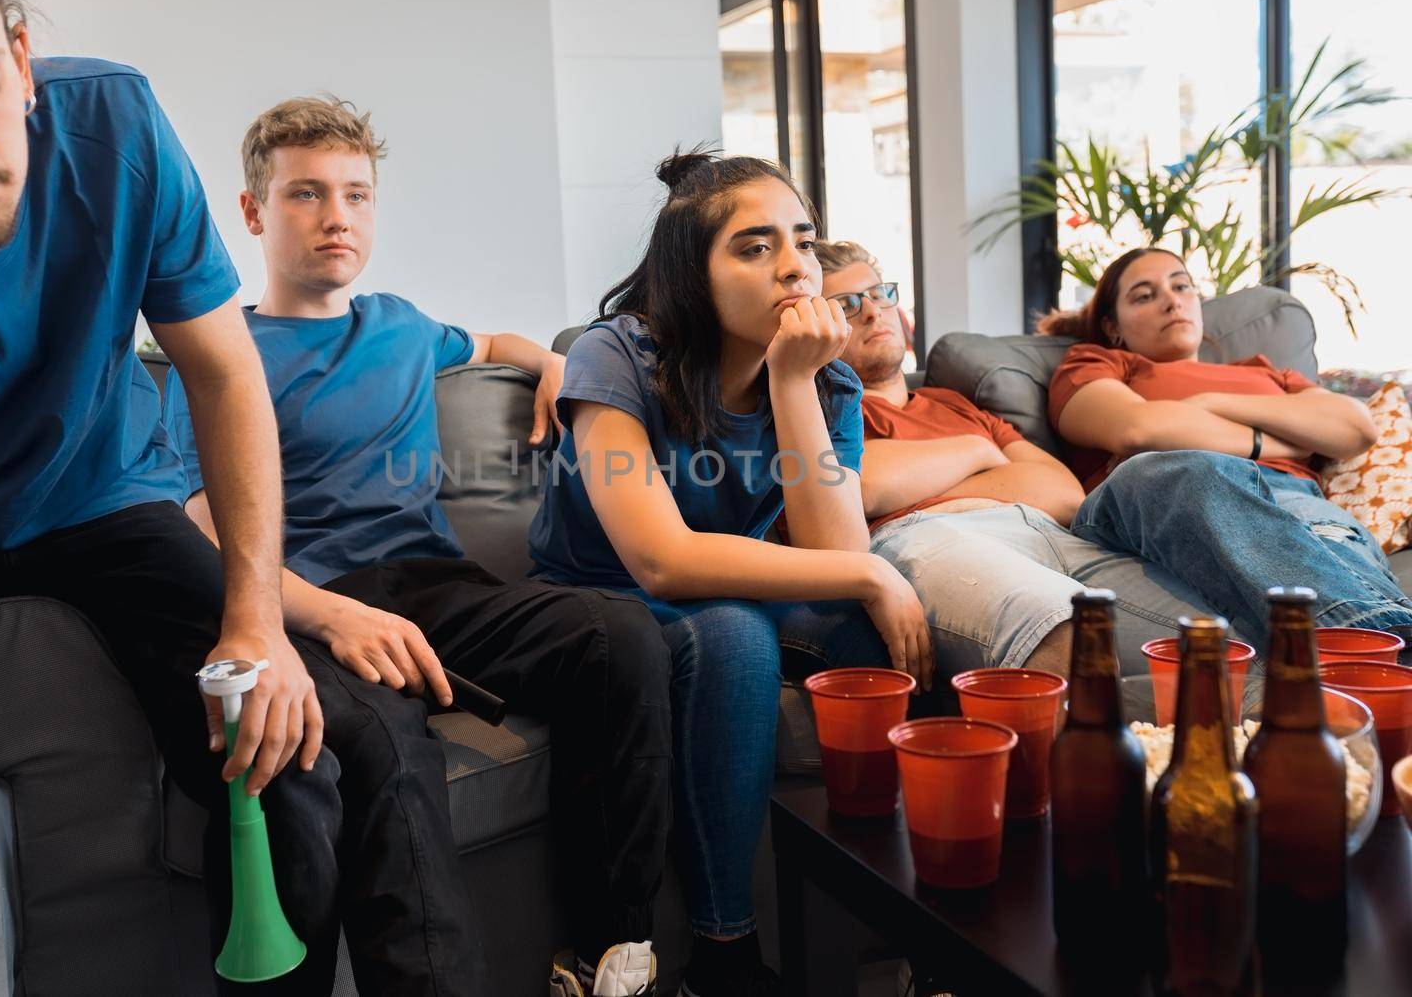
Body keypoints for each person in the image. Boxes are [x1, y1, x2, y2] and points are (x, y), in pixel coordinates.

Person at [0, 0, 345, 994]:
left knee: (291, 760)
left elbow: (225, 372)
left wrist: (256, 619)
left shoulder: (112, 122)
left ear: (19, 58)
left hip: (99, 500)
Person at [161, 96, 671, 997]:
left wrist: (556, 362)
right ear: (252, 212)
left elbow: (489, 340)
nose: (336, 217)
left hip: (437, 589)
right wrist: (324, 612)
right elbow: (195, 524)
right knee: (391, 756)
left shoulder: (400, 324)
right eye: (306, 194)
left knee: (620, 633)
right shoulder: (214, 350)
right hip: (311, 608)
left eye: (356, 195)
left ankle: (607, 956)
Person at [528, 152, 931, 997]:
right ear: (691, 273)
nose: (794, 267)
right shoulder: (620, 356)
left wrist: (793, 380)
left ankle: (925, 933)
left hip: (734, 580)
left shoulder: (831, 380)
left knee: (884, 641)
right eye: (753, 248)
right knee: (737, 633)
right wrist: (868, 572)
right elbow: (661, 560)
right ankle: (723, 955)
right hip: (603, 598)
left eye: (804, 242)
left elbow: (832, 559)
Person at [818, 240, 1216, 672]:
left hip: (1051, 533)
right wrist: (980, 450)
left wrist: (928, 475)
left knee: (1215, 643)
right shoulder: (822, 407)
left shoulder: (952, 403)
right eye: (847, 305)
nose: (874, 312)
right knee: (1063, 627)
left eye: (879, 294)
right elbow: (867, 485)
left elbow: (1064, 493)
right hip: (931, 537)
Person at [1042, 246, 1412, 649]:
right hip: (1158, 493)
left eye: (1181, 286)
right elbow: (1139, 429)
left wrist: (1209, 403)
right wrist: (1278, 442)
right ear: (1113, 326)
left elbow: (1357, 428)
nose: (1172, 300)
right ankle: (1371, 642)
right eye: (1145, 295)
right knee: (1172, 469)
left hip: (1288, 497)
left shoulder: (1266, 372)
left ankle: (1375, 648)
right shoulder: (1096, 361)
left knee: (1327, 537)